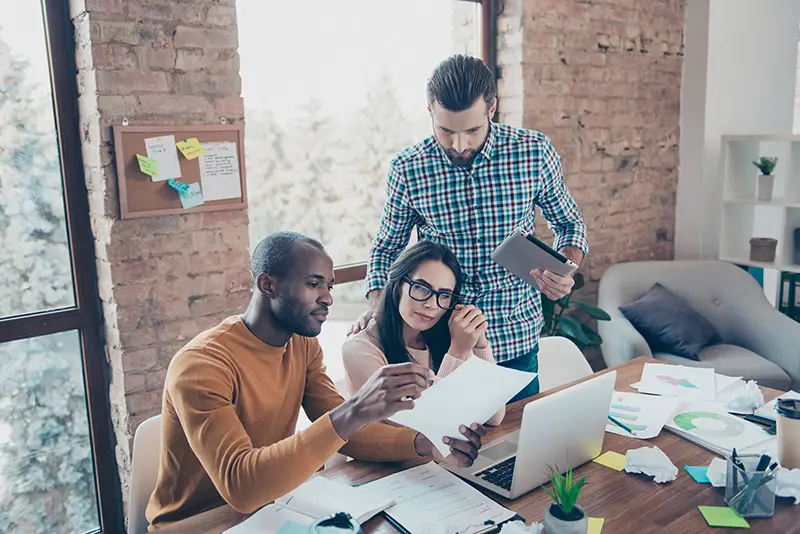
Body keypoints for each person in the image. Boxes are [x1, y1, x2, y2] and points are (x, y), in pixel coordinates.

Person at [146, 232, 487, 528]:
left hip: (272, 510)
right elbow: (242, 487)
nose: (328, 297)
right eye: (313, 284)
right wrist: (354, 410)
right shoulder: (201, 365)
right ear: (268, 284)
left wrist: (425, 444)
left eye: (329, 285)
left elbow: (348, 436)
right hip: (200, 524)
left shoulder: (302, 344)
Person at [351, 55, 588, 401]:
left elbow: (569, 223)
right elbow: (387, 247)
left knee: (518, 445)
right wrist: (378, 309)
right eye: (446, 131)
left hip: (515, 339)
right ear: (430, 111)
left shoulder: (534, 153)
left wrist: (565, 269)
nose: (459, 146)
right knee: (448, 447)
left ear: (491, 110)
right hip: (444, 346)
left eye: (472, 131)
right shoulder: (408, 169)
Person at [343, 240, 504, 425]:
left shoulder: (442, 336)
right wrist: (457, 353)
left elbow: (494, 416)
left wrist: (480, 344)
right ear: (397, 286)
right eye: (420, 288)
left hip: (447, 453)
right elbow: (423, 428)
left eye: (444, 295)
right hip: (392, 453)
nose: (431, 304)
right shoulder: (359, 349)